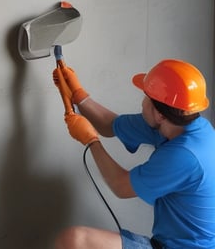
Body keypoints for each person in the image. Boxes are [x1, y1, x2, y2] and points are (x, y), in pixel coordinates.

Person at [53, 59, 215, 249]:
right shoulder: (181, 124)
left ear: (160, 115)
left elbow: (120, 186)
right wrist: (78, 95)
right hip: (169, 243)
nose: (142, 101)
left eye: (146, 96)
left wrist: (91, 141)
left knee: (75, 240)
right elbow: (110, 125)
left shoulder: (185, 155)